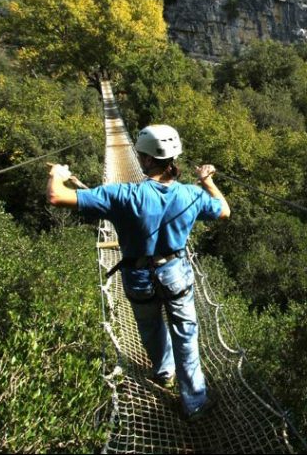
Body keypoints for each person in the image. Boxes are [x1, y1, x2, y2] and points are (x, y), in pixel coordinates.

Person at [46, 124, 230, 420]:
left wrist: (58, 175)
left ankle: (163, 372)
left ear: (144, 160)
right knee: (186, 334)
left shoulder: (121, 195)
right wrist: (207, 181)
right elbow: (224, 211)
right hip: (176, 273)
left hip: (138, 275)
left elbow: (56, 197)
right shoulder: (190, 195)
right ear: (173, 157)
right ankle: (195, 402)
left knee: (150, 327)